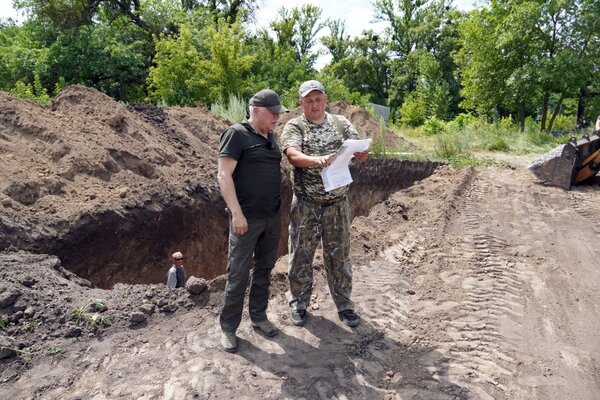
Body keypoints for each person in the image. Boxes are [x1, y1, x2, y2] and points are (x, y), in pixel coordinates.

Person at [280, 80, 369, 328]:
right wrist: (316, 160)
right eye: (308, 100)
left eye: (318, 99)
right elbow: (292, 155)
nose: (314, 104)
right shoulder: (295, 126)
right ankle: (299, 303)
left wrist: (361, 154)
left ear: (325, 99)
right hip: (307, 204)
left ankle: (345, 305)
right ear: (301, 103)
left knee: (339, 255)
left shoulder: (341, 124)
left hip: (337, 203)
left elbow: (356, 147)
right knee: (300, 255)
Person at [217, 88, 289, 353]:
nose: (277, 118)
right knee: (237, 275)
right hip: (246, 219)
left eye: (279, 113)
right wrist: (236, 213)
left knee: (264, 270)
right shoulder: (236, 134)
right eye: (273, 113)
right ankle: (228, 327)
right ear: (255, 110)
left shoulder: (273, 137)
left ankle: (258, 316)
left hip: (271, 217)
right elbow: (223, 176)